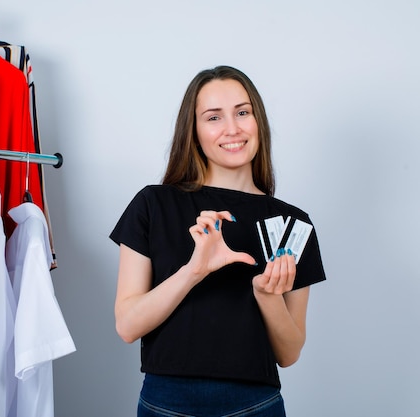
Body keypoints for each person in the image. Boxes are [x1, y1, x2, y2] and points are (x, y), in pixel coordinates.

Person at [109, 65, 326, 417]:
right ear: (193, 131)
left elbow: (289, 354)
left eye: (243, 112)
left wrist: (267, 296)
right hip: (165, 404)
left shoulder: (293, 224)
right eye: (213, 117)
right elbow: (127, 326)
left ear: (258, 122)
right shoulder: (153, 204)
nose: (233, 128)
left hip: (255, 405)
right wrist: (194, 270)